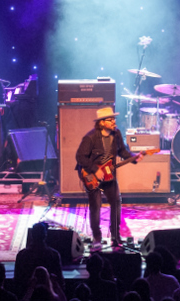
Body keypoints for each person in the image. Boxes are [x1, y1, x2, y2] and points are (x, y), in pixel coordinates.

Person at [75, 106, 141, 250]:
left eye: (114, 119)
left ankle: (115, 237)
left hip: (109, 176)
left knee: (116, 203)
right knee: (96, 207)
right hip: (92, 177)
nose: (114, 122)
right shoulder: (90, 137)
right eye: (110, 120)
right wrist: (95, 170)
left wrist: (134, 158)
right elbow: (80, 157)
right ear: (102, 123)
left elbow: (122, 151)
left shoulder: (116, 134)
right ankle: (97, 238)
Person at [13, 222, 64, 298]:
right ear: (45, 235)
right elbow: (60, 280)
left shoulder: (22, 255)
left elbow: (17, 280)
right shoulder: (53, 255)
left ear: (32, 235)